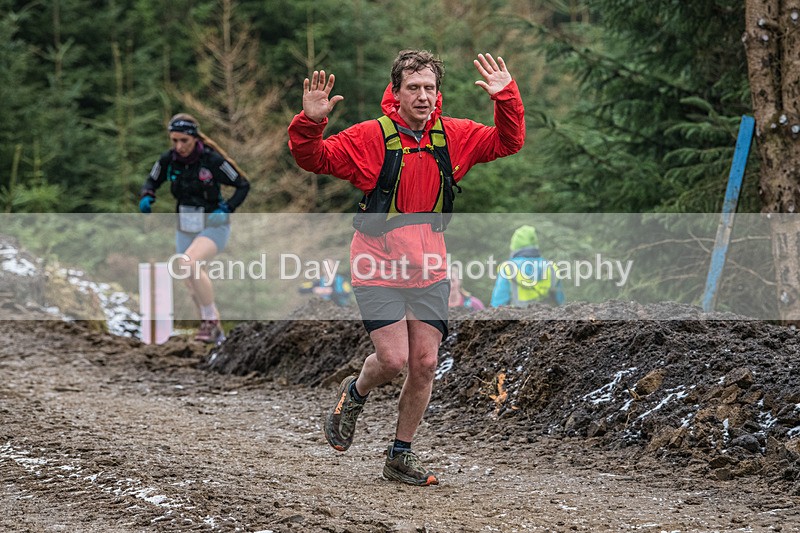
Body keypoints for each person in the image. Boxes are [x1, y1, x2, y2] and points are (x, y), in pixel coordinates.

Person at [288, 50, 525, 485]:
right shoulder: (369, 137)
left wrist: (505, 97)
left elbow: (508, 142)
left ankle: (400, 455)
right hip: (376, 263)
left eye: (429, 88)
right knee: (393, 359)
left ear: (439, 94)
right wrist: (311, 122)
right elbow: (314, 159)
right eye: (413, 88)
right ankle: (355, 393)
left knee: (425, 363)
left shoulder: (454, 135)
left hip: (430, 267)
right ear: (395, 92)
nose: (422, 96)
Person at [139, 113, 250, 344]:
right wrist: (147, 195)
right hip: (185, 227)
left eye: (184, 141)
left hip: (213, 226)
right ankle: (214, 328)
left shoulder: (212, 161)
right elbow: (152, 180)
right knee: (190, 281)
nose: (179, 146)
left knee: (189, 263)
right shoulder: (168, 160)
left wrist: (227, 209)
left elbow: (242, 184)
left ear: (194, 138)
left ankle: (209, 321)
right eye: (174, 141)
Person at [490, 225, 565, 307]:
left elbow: (498, 304)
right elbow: (560, 302)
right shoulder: (551, 268)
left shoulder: (508, 268)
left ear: (514, 246)